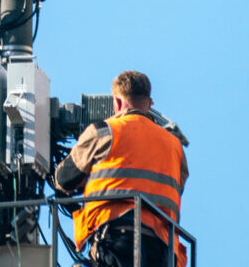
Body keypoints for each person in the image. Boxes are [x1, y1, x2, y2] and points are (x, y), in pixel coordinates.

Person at [55, 71, 189, 267]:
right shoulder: (175, 146)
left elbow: (64, 179)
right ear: (149, 104)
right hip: (163, 249)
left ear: (117, 102)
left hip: (116, 239)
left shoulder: (104, 131)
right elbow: (177, 188)